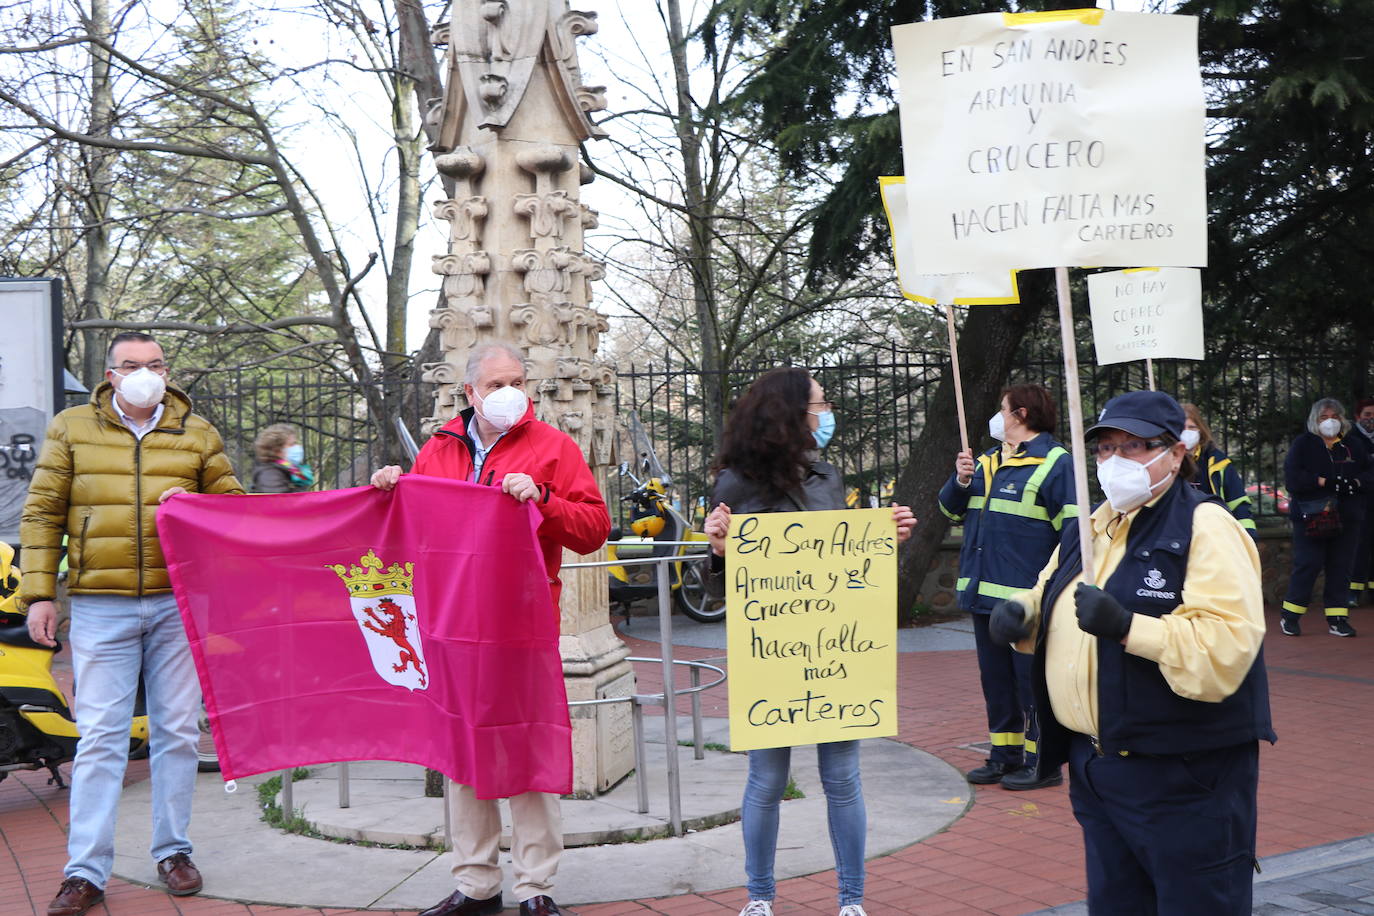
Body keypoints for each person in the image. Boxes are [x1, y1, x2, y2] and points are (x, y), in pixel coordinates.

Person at [989, 390, 1274, 915]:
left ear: (1176, 452)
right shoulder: (1091, 526)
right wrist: (1022, 614)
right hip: (1098, 767)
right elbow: (1048, 591)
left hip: (1182, 772)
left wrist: (1127, 628)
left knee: (1198, 902)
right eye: (1106, 448)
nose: (1117, 460)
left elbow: (1225, 649)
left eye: (1137, 446)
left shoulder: (1206, 525)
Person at [370, 342, 609, 916]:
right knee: (464, 748)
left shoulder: (553, 447)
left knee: (526, 743)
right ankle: (476, 882)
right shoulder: (437, 450)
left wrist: (544, 499)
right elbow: (410, 533)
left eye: (518, 381)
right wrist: (388, 491)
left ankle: (535, 886)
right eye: (497, 383)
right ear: (469, 392)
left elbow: (594, 527)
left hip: (523, 621)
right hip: (452, 624)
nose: (510, 393)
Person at [21, 331, 244, 916]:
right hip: (99, 603)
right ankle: (84, 871)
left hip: (177, 603)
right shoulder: (72, 427)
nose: (145, 373)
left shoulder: (196, 433)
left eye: (155, 364)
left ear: (166, 372)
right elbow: (43, 511)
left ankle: (173, 851)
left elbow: (235, 507)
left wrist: (193, 505)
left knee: (175, 732)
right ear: (111, 375)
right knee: (99, 739)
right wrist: (40, 593)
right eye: (131, 365)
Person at [700, 367, 916, 916]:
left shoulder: (828, 477)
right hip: (772, 659)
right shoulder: (735, 484)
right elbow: (724, 583)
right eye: (820, 404)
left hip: (834, 655)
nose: (826, 414)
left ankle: (851, 900)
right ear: (790, 415)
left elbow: (843, 562)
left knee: (842, 778)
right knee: (766, 780)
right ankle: (760, 897)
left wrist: (885, 538)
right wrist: (721, 549)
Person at [937, 384, 1076, 791]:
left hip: (1025, 603)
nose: (996, 418)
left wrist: (1053, 591)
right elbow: (949, 509)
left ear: (1021, 415)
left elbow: (1072, 534)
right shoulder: (985, 462)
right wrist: (960, 481)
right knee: (996, 684)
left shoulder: (1055, 463)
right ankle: (1004, 756)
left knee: (1030, 685)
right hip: (984, 597)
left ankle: (1042, 763)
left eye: (1002, 410)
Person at [1280, 398, 1374, 637]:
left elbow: (1369, 472)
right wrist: (1322, 481)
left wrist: (1355, 482)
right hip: (1312, 515)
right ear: (1315, 420)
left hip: (1348, 517)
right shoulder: (1304, 444)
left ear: (1342, 419)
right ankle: (1290, 616)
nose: (1330, 422)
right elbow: (1293, 479)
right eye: (1324, 417)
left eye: (1334, 416)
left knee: (1341, 567)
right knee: (1308, 564)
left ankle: (1337, 618)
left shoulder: (1353, 445)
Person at [1180, 403, 1258, 541]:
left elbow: (1238, 503)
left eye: (1191, 427)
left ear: (1200, 430)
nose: (1186, 432)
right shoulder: (1163, 462)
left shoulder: (1218, 462)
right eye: (1181, 428)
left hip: (1214, 535)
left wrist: (1248, 538)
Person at [1350, 397, 1374, 607]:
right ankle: (1353, 591)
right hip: (1360, 498)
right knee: (1359, 545)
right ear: (1358, 417)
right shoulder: (1351, 439)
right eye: (1367, 415)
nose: (1371, 419)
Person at [249, 423, 315, 493]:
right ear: (277, 450)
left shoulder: (288, 469)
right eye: (292, 444)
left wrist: (301, 482)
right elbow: (278, 501)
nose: (297, 447)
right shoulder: (269, 473)